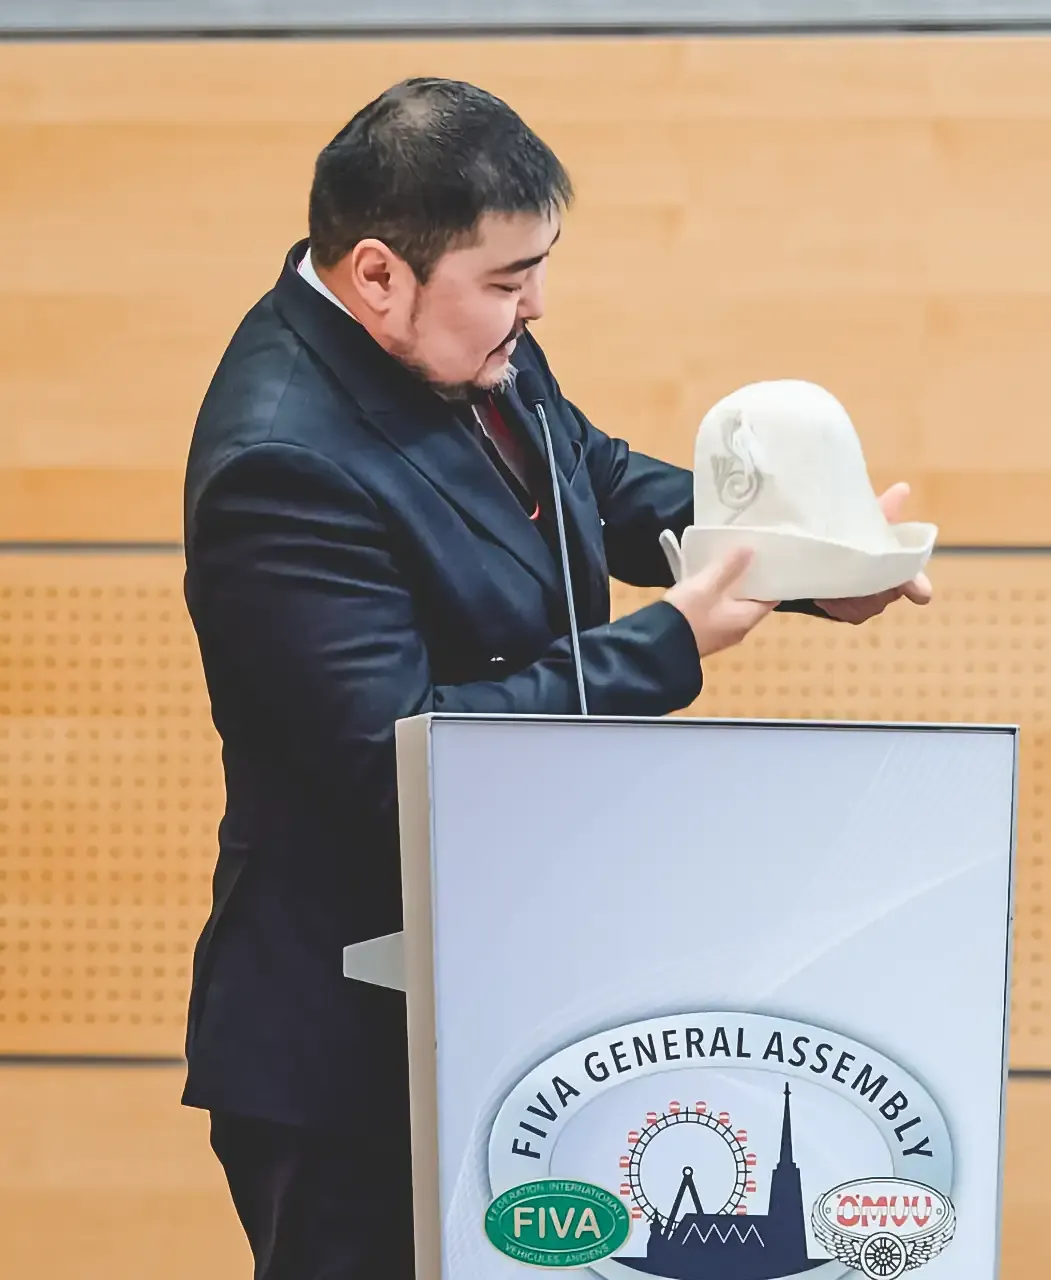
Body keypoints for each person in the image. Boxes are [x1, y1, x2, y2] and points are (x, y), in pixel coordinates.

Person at [179, 78, 930, 1278]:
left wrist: (810, 557)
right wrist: (670, 641)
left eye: (540, 269)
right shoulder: (280, 457)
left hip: (512, 984)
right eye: (508, 278)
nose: (536, 304)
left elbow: (598, 480)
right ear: (378, 275)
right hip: (350, 1054)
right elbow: (404, 754)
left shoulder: (470, 338)